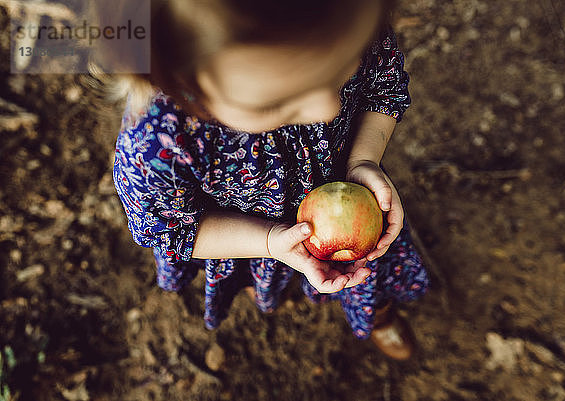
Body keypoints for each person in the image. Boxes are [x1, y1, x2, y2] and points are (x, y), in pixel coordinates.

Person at [97, 0, 430, 360]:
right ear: (179, 79)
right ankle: (268, 288)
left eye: (339, 73)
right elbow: (176, 229)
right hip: (247, 236)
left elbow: (384, 87)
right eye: (279, 104)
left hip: (350, 205)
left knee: (366, 273)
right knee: (264, 278)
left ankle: (377, 314)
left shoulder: (337, 18)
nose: (327, 110)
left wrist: (364, 158)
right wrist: (270, 242)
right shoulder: (157, 145)